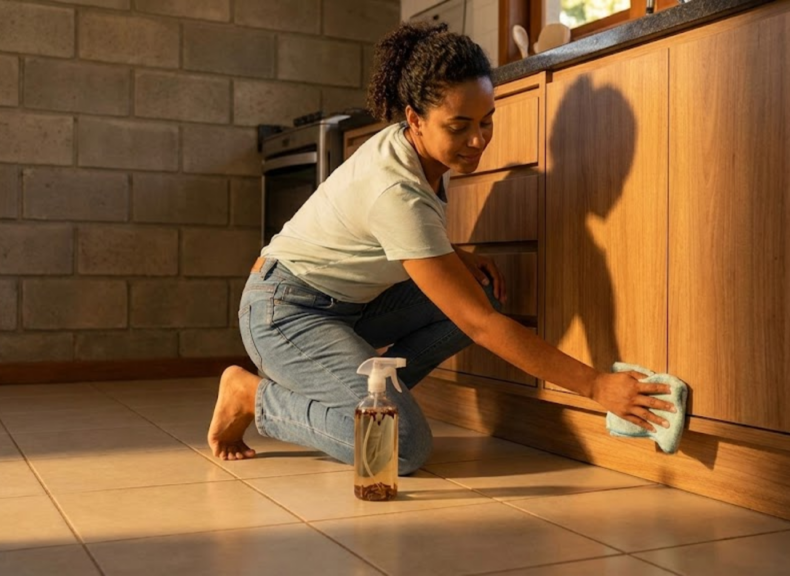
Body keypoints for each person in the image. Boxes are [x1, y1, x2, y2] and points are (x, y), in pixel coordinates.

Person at [208, 21, 675, 472]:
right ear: (416, 118)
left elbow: (388, 237)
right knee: (403, 446)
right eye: (459, 127)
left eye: (487, 121)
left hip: (345, 305)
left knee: (478, 294)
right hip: (284, 313)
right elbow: (479, 323)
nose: (477, 141)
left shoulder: (413, 151)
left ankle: (363, 402)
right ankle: (251, 395)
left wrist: (453, 258)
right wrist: (596, 385)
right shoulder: (397, 190)